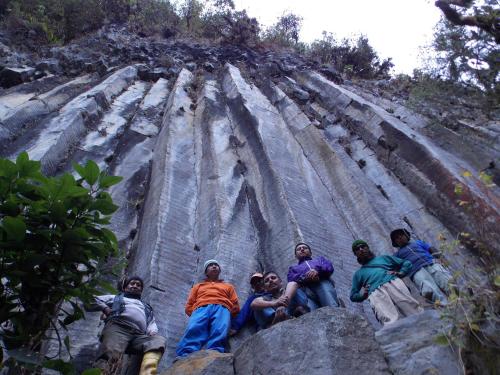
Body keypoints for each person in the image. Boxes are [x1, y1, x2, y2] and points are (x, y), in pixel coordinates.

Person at [90, 276, 166, 375]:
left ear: (141, 290)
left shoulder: (146, 307)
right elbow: (91, 300)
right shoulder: (115, 298)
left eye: (138, 285)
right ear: (125, 288)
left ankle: (148, 372)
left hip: (138, 335)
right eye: (132, 283)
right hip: (118, 328)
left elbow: (151, 322)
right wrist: (104, 308)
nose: (135, 286)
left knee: (158, 341)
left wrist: (152, 331)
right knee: (110, 355)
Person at [176, 260, 240, 358]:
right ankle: (185, 355)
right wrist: (195, 313)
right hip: (201, 308)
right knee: (194, 328)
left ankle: (215, 353)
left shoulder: (228, 286)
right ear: (206, 272)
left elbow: (235, 303)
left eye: (216, 265)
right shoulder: (198, 286)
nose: (214, 266)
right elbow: (189, 304)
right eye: (210, 266)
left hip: (222, 307)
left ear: (220, 270)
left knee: (220, 329)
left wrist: (227, 313)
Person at [350, 240, 423, 325]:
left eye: (363, 246)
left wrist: (401, 272)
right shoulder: (358, 274)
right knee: (387, 318)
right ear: (356, 254)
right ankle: (397, 335)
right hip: (375, 292)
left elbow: (406, 263)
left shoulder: (384, 258)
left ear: (368, 248)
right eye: (357, 249)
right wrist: (362, 295)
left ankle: (425, 325)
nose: (361, 249)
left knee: (410, 306)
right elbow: (353, 295)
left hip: (393, 282)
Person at [390, 228, 452, 305]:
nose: (399, 238)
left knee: (446, 281)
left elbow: (431, 249)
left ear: (406, 235)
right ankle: (446, 307)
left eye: (401, 235)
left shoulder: (418, 242)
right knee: (428, 290)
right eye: (396, 238)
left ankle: (459, 300)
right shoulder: (396, 255)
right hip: (415, 271)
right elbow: (396, 270)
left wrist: (441, 258)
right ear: (395, 242)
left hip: (431, 263)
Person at [286, 242, 340, 309]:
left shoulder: (320, 260)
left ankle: (334, 311)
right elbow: (291, 279)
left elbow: (329, 267)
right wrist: (306, 277)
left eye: (305, 248)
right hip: (305, 290)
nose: (302, 249)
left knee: (330, 303)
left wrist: (317, 271)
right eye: (299, 249)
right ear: (296, 256)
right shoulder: (293, 268)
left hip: (321, 282)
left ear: (311, 253)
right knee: (312, 311)